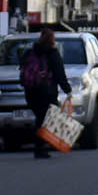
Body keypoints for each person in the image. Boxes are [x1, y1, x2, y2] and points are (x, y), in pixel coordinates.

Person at [18, 26, 68, 160]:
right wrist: (67, 90)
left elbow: (22, 70)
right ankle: (40, 147)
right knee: (47, 119)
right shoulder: (53, 53)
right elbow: (59, 74)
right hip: (47, 92)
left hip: (31, 92)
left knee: (40, 118)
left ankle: (40, 146)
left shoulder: (30, 52)